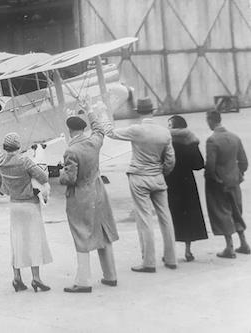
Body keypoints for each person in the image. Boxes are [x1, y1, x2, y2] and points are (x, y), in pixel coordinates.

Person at [98, 97, 177, 272]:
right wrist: (161, 172)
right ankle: (171, 258)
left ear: (138, 111)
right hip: (157, 176)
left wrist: (103, 113)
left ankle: (149, 262)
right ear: (153, 111)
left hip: (139, 177)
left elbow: (110, 132)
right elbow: (170, 160)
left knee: (145, 218)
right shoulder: (164, 132)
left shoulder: (136, 130)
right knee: (166, 217)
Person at [59, 105, 119, 293]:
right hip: (98, 191)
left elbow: (70, 179)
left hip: (81, 196)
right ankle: (111, 276)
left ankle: (83, 281)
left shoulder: (71, 151)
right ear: (84, 129)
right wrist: (90, 110)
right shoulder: (94, 142)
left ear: (70, 131)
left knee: (82, 235)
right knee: (103, 232)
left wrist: (61, 173)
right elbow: (100, 129)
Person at [0, 123, 53, 293]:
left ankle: (17, 278)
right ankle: (36, 279)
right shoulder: (24, 161)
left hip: (15, 206)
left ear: (5, 147)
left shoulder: (0, 160)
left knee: (17, 242)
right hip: (30, 205)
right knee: (34, 241)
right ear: (18, 146)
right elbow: (43, 176)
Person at [205, 110, 249, 258]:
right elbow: (244, 161)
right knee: (236, 210)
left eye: (208, 120)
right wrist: (238, 174)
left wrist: (213, 178)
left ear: (211, 120)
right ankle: (244, 243)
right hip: (234, 181)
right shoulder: (235, 137)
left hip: (219, 182)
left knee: (222, 212)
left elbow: (210, 166)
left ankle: (229, 247)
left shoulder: (212, 140)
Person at [165, 115, 208, 262]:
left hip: (170, 182)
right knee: (188, 216)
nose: (168, 127)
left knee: (170, 217)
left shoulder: (166, 141)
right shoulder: (191, 140)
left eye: (169, 125)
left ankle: (169, 253)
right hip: (187, 182)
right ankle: (188, 251)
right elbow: (199, 164)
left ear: (175, 126)